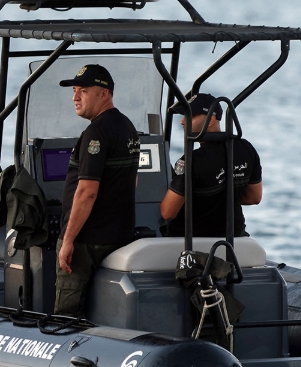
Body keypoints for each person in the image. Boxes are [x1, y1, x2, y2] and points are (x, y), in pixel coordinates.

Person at [54, 64, 141, 317]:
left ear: (104, 94)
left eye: (83, 90)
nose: (75, 97)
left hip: (86, 241)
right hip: (119, 236)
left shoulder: (97, 131)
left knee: (66, 315)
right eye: (74, 91)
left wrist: (69, 240)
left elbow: (87, 191)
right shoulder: (128, 128)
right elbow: (131, 181)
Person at [160, 93, 262, 238]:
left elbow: (168, 212)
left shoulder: (191, 161)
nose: (182, 121)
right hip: (234, 238)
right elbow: (254, 197)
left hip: (192, 243)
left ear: (211, 120)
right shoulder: (246, 149)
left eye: (190, 116)